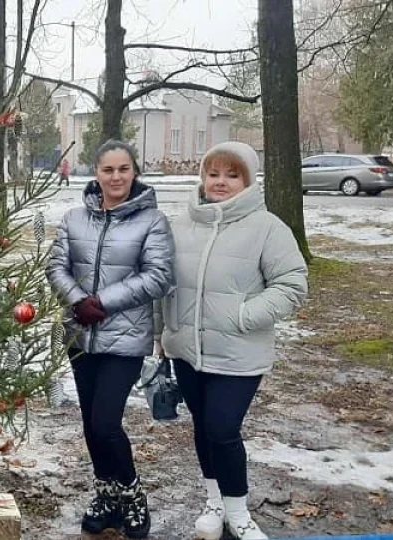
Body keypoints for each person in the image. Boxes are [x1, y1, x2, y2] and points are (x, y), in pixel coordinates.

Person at [157, 142, 307, 540]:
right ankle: (214, 502)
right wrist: (162, 331)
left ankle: (238, 512)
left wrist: (243, 316)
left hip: (239, 354)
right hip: (186, 351)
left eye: (231, 174)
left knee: (222, 428)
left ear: (247, 180)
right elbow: (164, 286)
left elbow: (292, 285)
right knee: (202, 428)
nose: (220, 182)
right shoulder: (180, 224)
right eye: (214, 173)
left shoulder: (268, 228)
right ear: (203, 177)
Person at [46, 139, 174, 539]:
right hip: (80, 338)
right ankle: (106, 494)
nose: (116, 177)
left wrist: (102, 301)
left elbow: (158, 275)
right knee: (90, 424)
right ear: (96, 173)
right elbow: (56, 264)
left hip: (125, 338)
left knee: (105, 423)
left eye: (123, 169)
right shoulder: (73, 218)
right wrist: (77, 300)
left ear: (134, 172)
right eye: (108, 170)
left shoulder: (152, 222)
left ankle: (132, 493)